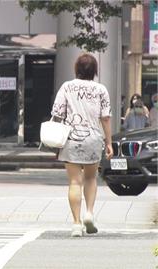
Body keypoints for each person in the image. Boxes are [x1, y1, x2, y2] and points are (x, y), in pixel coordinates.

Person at [50, 53, 113, 237]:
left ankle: (76, 224)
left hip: (70, 139)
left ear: (76, 69)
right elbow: (106, 118)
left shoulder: (66, 87)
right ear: (95, 71)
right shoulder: (101, 89)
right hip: (94, 139)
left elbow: (58, 114)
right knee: (91, 178)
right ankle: (90, 213)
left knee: (74, 181)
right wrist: (109, 142)